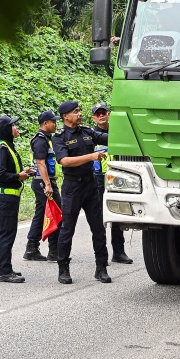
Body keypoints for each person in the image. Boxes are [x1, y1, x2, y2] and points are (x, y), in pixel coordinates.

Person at [52, 100, 111, 285]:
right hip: (72, 187)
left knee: (98, 229)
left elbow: (108, 138)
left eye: (79, 111)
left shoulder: (87, 132)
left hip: (90, 185)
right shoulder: (59, 137)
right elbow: (65, 161)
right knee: (67, 229)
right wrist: (91, 156)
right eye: (76, 112)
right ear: (65, 116)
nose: (79, 114)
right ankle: (63, 269)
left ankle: (101, 268)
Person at [0, 115, 34, 283]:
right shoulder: (2, 148)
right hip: (5, 197)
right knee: (7, 233)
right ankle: (4, 271)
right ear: (6, 130)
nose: (16, 128)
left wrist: (24, 172)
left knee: (5, 232)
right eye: (13, 126)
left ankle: (1, 267)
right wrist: (19, 176)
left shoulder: (8, 147)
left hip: (8, 197)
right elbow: (0, 174)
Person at [91, 103, 132, 264]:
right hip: (98, 179)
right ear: (94, 117)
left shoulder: (117, 133)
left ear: (108, 114)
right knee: (99, 217)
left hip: (116, 178)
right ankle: (101, 255)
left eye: (103, 112)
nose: (101, 115)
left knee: (117, 214)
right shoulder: (91, 134)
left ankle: (119, 252)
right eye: (97, 113)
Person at [24, 110, 61, 263]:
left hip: (43, 181)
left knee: (41, 215)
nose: (55, 124)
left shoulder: (47, 139)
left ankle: (31, 248)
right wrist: (47, 184)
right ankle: (54, 251)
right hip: (43, 182)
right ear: (45, 123)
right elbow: (40, 163)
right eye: (53, 121)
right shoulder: (40, 140)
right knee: (56, 213)